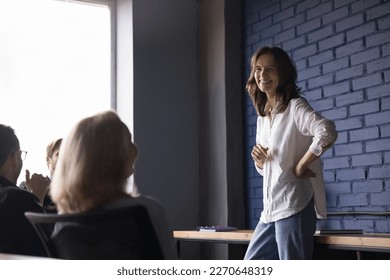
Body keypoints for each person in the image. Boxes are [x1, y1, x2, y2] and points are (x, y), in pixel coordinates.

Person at [243, 46, 338, 260]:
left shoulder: (295, 107)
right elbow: (270, 169)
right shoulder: (262, 118)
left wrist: (301, 165)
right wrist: (260, 162)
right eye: (258, 69)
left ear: (283, 73)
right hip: (270, 210)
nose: (262, 75)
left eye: (270, 69)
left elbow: (327, 131)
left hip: (293, 207)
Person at [50, 110, 178, 259]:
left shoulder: (65, 219)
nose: (135, 148)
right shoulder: (146, 210)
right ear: (113, 160)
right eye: (128, 141)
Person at [0, 124, 50, 256]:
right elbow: (45, 253)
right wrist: (37, 198)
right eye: (21, 154)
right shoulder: (17, 199)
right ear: (15, 156)